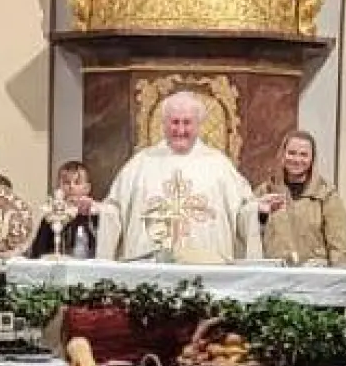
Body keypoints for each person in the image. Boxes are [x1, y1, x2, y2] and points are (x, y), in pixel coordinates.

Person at [98, 92, 261, 263]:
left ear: (198, 125)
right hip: (148, 269)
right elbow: (114, 208)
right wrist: (99, 211)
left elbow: (242, 210)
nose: (180, 130)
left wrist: (256, 210)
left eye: (187, 123)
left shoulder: (219, 166)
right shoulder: (140, 164)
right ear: (164, 124)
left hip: (207, 269)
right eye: (174, 122)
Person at [255, 130, 346, 267]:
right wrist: (261, 215)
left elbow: (339, 242)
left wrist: (342, 277)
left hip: (314, 276)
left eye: (303, 155)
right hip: (275, 275)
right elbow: (251, 236)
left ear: (312, 159)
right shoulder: (264, 192)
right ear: (282, 155)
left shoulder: (326, 194)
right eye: (292, 153)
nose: (296, 160)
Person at [28, 161, 99, 259]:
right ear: (59, 188)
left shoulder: (95, 216)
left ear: (87, 188)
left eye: (77, 183)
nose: (71, 187)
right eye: (66, 183)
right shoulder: (51, 216)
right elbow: (39, 250)